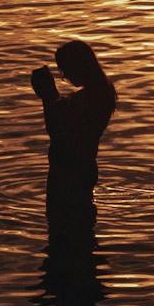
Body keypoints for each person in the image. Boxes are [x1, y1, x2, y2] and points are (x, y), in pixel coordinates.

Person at [31, 40, 116, 243]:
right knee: (76, 231)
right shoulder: (100, 93)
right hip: (78, 170)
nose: (64, 76)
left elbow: (59, 131)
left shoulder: (92, 98)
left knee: (65, 231)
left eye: (65, 69)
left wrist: (48, 95)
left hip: (70, 174)